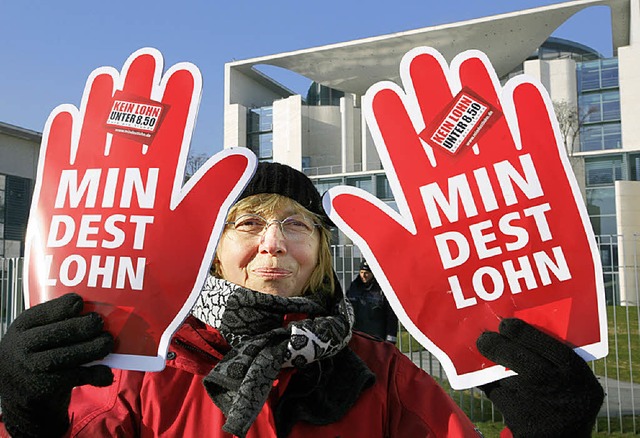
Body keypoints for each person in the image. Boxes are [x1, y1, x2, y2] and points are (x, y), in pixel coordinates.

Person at [0, 162, 604, 437]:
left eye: (296, 224)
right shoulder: (144, 370)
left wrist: (546, 428)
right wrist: (28, 418)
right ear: (211, 250)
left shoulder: (383, 376)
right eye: (249, 224)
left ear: (319, 249)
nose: (274, 244)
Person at [347, 260, 398, 343]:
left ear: (373, 273)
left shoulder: (382, 290)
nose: (363, 275)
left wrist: (390, 340)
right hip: (357, 337)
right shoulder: (353, 288)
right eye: (361, 272)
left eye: (366, 273)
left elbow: (391, 316)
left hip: (377, 339)